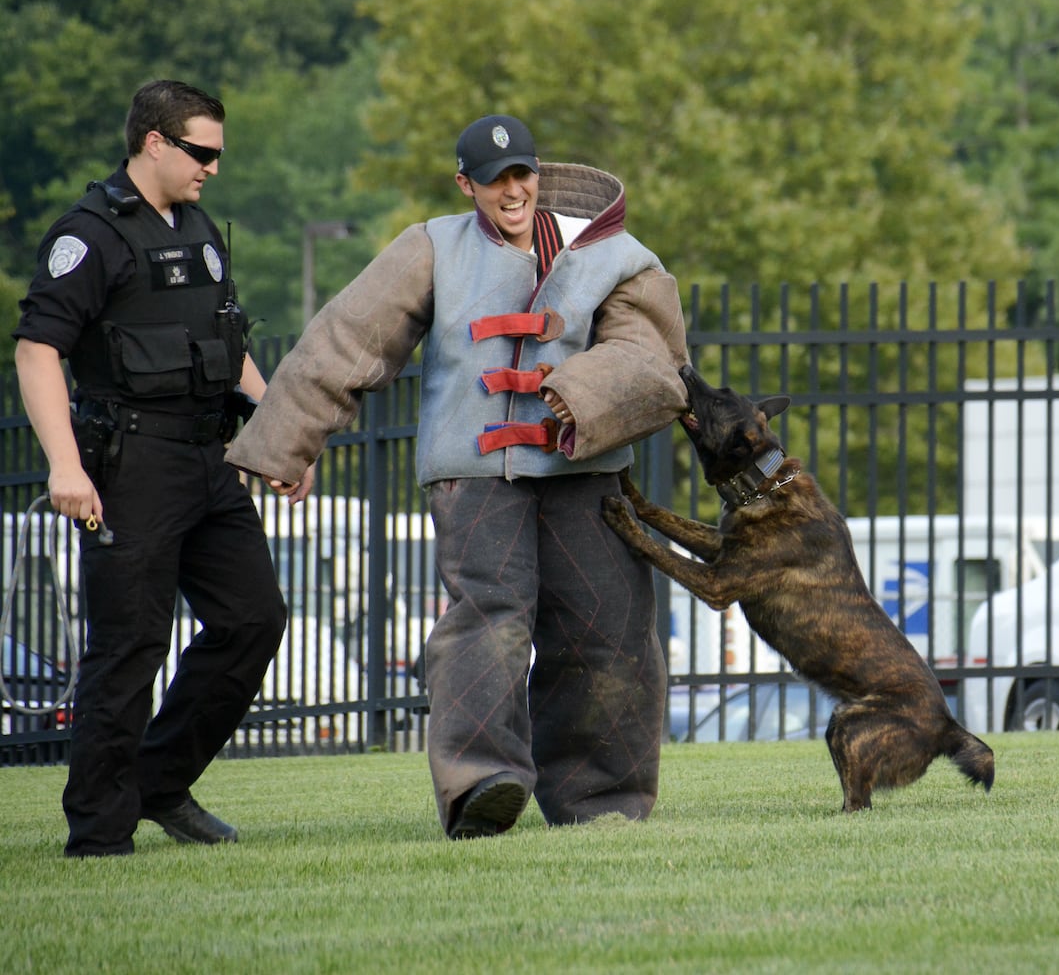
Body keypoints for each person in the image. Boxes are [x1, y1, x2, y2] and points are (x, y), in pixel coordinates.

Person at [225, 114, 688, 838]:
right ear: (465, 184)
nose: (513, 190)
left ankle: (603, 804)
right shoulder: (431, 246)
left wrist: (578, 395)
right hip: (473, 472)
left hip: (586, 468)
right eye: (495, 179)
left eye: (522, 174)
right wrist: (289, 444)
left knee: (609, 629)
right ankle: (482, 785)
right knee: (490, 621)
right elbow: (348, 338)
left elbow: (651, 356)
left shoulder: (621, 256)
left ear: (539, 174)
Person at [11, 80, 310, 857]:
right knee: (131, 645)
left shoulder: (199, 226)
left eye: (217, 154)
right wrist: (64, 468)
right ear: (154, 142)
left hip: (208, 459)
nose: (212, 167)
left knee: (254, 618)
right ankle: (100, 835)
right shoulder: (88, 234)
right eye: (201, 152)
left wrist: (277, 433)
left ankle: (159, 783)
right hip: (129, 462)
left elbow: (229, 341)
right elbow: (38, 350)